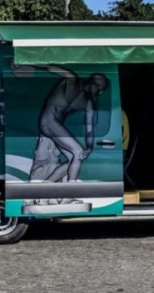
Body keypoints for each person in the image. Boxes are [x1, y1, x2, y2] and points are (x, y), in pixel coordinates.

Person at [11, 64, 109, 205]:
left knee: (75, 158)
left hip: (55, 125)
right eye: (100, 89)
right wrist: (28, 62)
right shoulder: (71, 79)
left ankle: (42, 188)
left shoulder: (88, 103)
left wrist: (89, 147)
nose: (99, 94)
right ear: (93, 84)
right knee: (77, 151)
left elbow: (89, 128)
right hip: (48, 121)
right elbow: (50, 67)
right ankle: (68, 195)